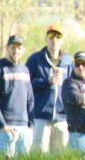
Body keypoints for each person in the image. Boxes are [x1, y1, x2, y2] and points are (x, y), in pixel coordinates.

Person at [26, 24, 73, 152]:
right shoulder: (35, 59)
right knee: (39, 155)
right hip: (40, 116)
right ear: (46, 38)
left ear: (62, 40)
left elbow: (73, 87)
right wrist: (47, 81)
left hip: (62, 118)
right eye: (51, 36)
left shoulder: (69, 61)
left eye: (58, 36)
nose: (54, 40)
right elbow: (26, 86)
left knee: (60, 155)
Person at [0, 35, 34, 158]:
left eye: (19, 48)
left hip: (24, 128)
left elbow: (30, 100)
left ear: (23, 50)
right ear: (7, 48)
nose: (16, 51)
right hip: (6, 127)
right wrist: (2, 125)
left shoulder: (25, 70)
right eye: (13, 47)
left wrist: (30, 125)